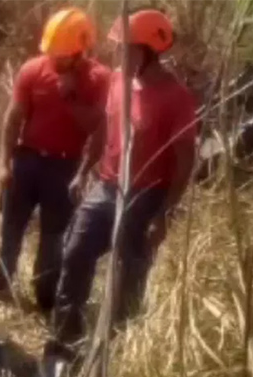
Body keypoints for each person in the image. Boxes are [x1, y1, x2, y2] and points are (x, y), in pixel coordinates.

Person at [52, 9, 196, 350]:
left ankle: (118, 346)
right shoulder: (118, 80)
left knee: (128, 272)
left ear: (148, 52)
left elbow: (186, 160)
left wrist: (165, 213)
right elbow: (106, 127)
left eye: (126, 48)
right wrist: (84, 169)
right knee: (75, 252)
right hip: (106, 184)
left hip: (146, 194)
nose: (118, 55)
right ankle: (65, 338)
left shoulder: (176, 98)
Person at [0, 8, 110, 314]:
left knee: (52, 238)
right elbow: (13, 120)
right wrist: (4, 164)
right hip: (27, 160)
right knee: (10, 228)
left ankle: (45, 294)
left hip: (64, 167)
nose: (56, 60)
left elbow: (98, 128)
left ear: (82, 52)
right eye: (52, 53)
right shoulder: (33, 70)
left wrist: (72, 98)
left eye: (64, 56)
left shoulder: (99, 79)